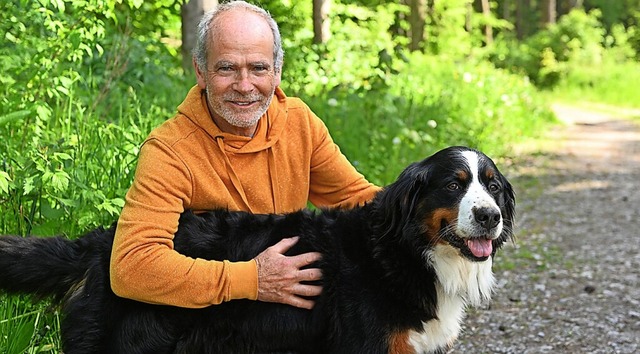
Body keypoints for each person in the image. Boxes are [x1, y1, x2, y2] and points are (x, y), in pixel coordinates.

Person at [109, 0, 380, 311]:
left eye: (258, 68)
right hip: (212, 320)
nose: (244, 85)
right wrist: (251, 279)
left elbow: (357, 200)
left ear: (277, 72)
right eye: (226, 68)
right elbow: (132, 267)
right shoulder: (170, 150)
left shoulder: (299, 122)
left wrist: (425, 212)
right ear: (201, 72)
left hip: (287, 313)